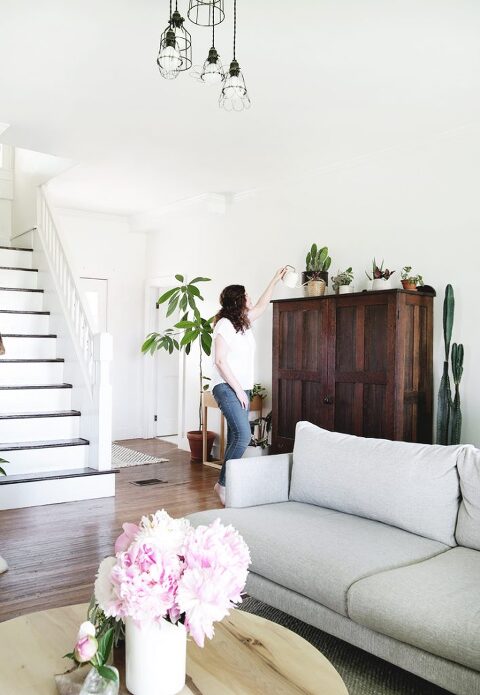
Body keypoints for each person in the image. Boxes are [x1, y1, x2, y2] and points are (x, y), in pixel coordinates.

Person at [211, 267, 287, 505]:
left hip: (240, 388)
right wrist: (238, 390)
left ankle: (228, 485)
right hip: (227, 387)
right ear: (239, 301)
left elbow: (262, 306)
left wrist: (275, 279)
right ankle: (222, 484)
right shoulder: (224, 324)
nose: (251, 299)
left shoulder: (241, 323)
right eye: (247, 296)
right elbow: (220, 361)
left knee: (236, 436)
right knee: (244, 435)